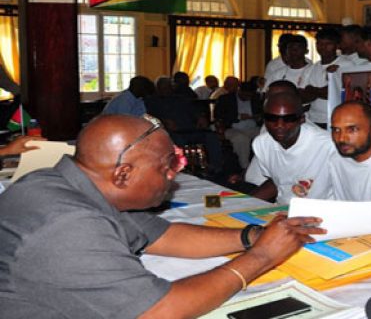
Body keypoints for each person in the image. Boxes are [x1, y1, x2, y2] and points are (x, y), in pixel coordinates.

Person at [0, 114, 324, 318]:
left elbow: (165, 236)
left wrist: (251, 236)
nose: (173, 176)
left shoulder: (62, 183)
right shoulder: (68, 224)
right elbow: (160, 311)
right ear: (123, 174)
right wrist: (263, 255)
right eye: (166, 166)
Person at [246, 92, 336, 203]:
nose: (279, 124)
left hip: (321, 213)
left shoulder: (328, 145)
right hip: (282, 210)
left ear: (302, 119)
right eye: (272, 118)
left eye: (288, 118)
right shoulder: (262, 144)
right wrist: (244, 203)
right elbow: (277, 181)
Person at [299, 28, 354, 128]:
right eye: (319, 43)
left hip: (339, 119)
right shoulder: (311, 68)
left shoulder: (346, 64)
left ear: (337, 45)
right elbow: (302, 96)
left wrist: (312, 90)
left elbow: (335, 92)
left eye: (328, 44)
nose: (323, 47)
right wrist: (321, 91)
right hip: (313, 120)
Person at [214, 81, 262, 170]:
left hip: (252, 127)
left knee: (265, 135)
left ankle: (263, 164)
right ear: (239, 91)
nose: (247, 98)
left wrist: (258, 117)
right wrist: (238, 117)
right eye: (245, 95)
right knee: (241, 139)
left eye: (250, 96)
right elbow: (219, 115)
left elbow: (262, 113)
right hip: (232, 128)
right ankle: (245, 166)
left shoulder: (256, 99)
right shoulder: (226, 99)